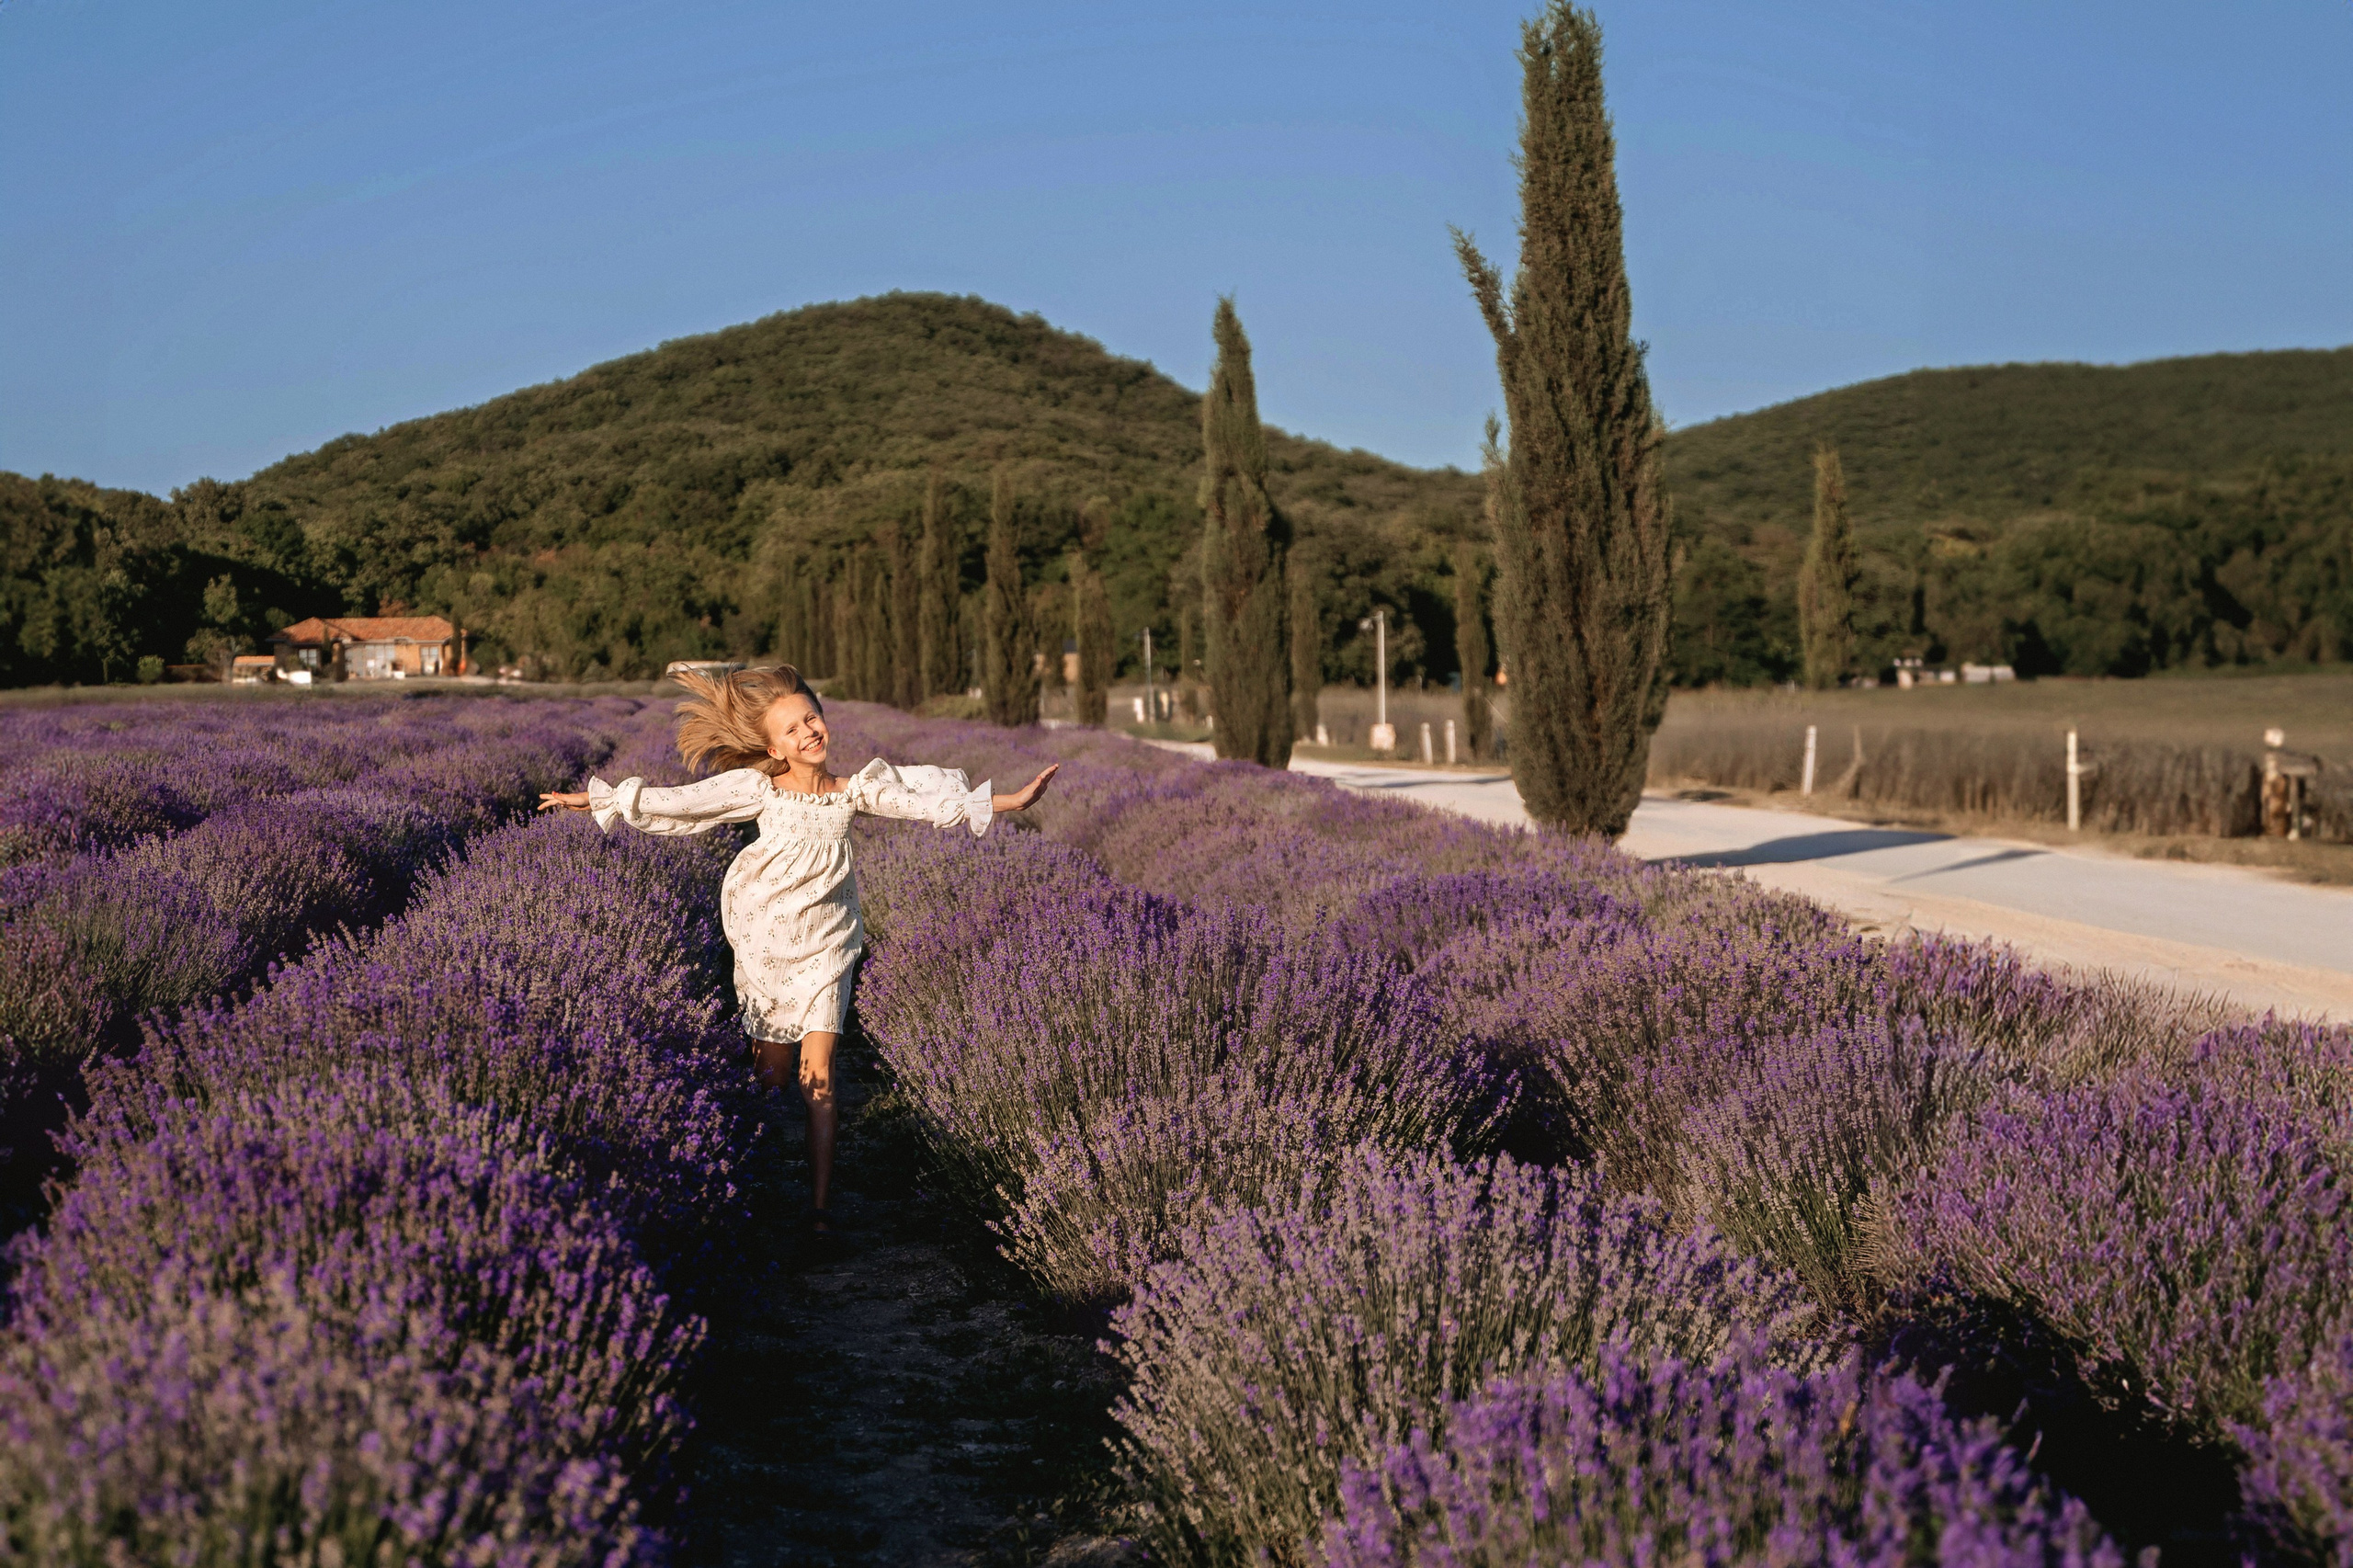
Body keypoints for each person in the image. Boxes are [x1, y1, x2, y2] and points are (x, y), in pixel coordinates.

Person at [538, 665, 1056, 1232]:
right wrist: (598, 800)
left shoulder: (853, 793)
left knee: (822, 1077)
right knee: (772, 1081)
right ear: (772, 746)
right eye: (792, 729)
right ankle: (742, 1196)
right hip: (767, 941)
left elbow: (924, 804)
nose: (808, 731)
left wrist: (1013, 800)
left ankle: (818, 1211)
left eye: (811, 718)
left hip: (828, 947)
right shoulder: (760, 789)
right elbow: (682, 802)